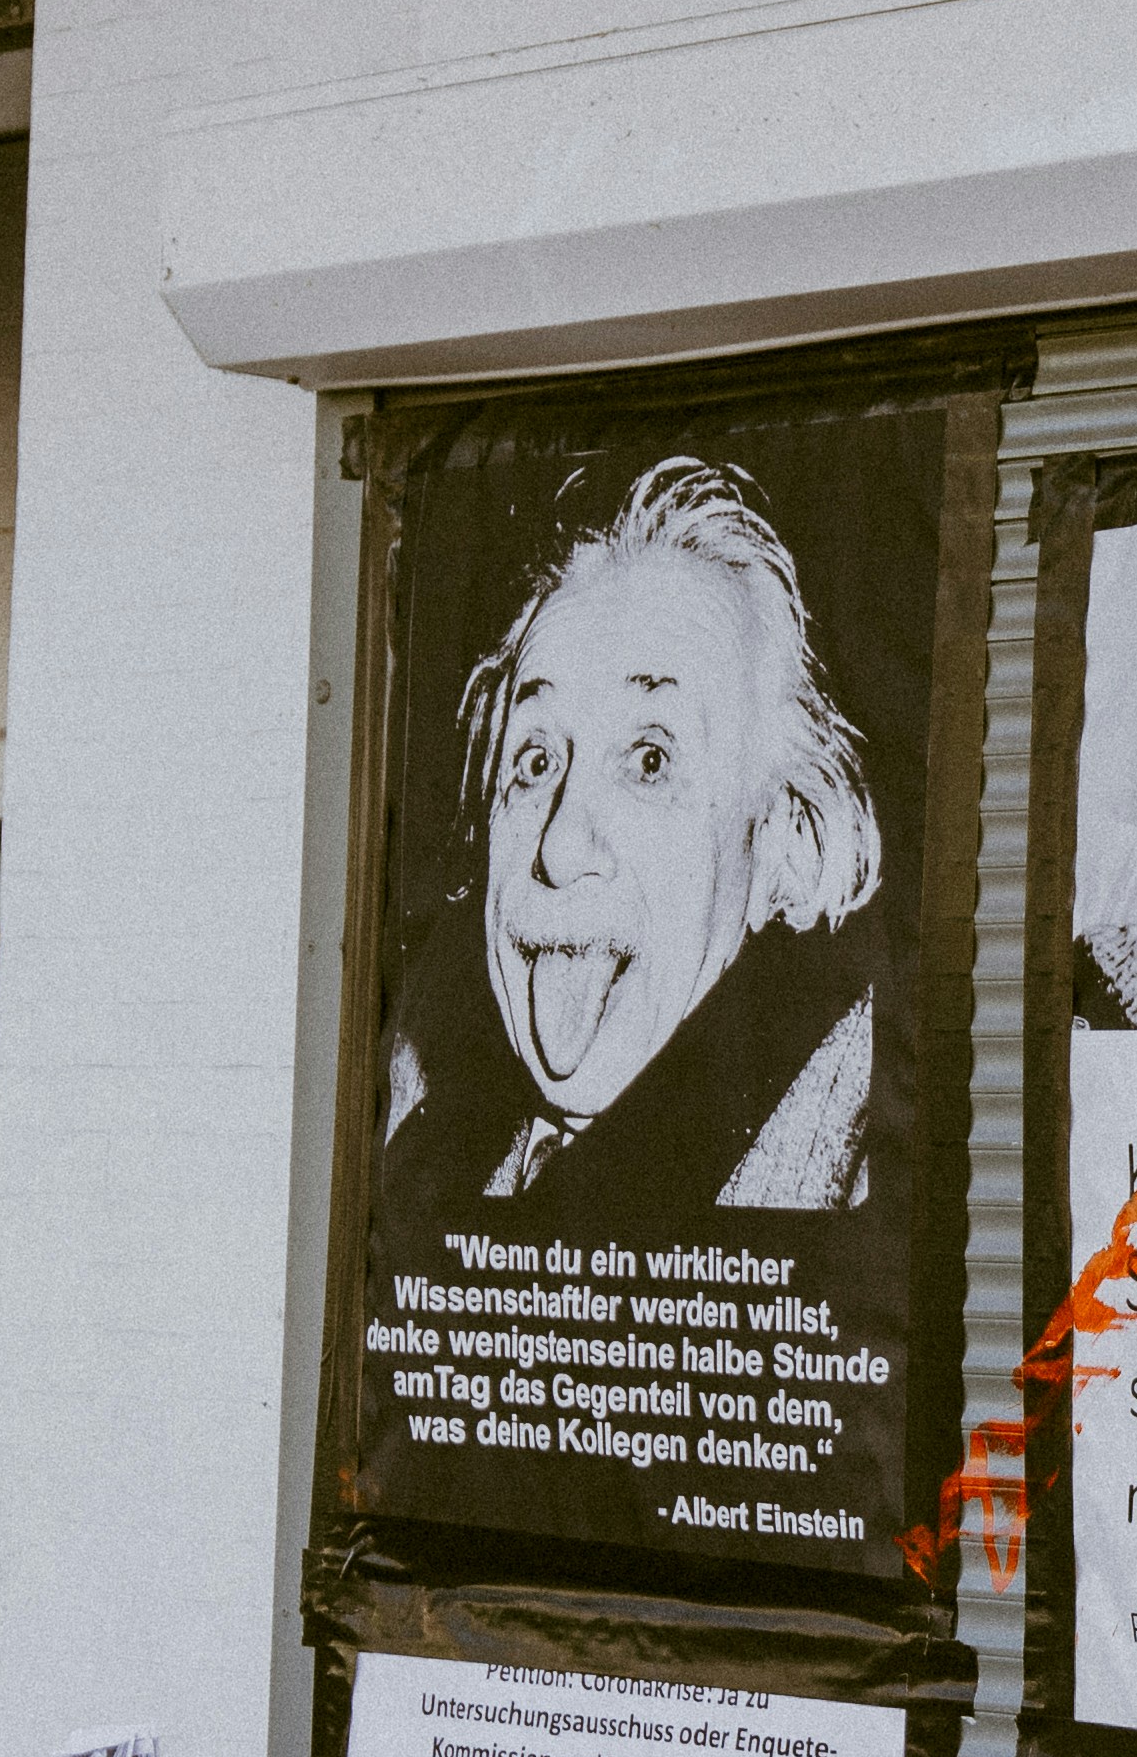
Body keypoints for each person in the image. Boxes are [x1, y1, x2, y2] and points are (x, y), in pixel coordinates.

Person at [379, 455, 888, 1228]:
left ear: (785, 841)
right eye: (535, 761)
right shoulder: (412, 1124)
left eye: (650, 760)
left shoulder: (863, 1165)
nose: (558, 848)